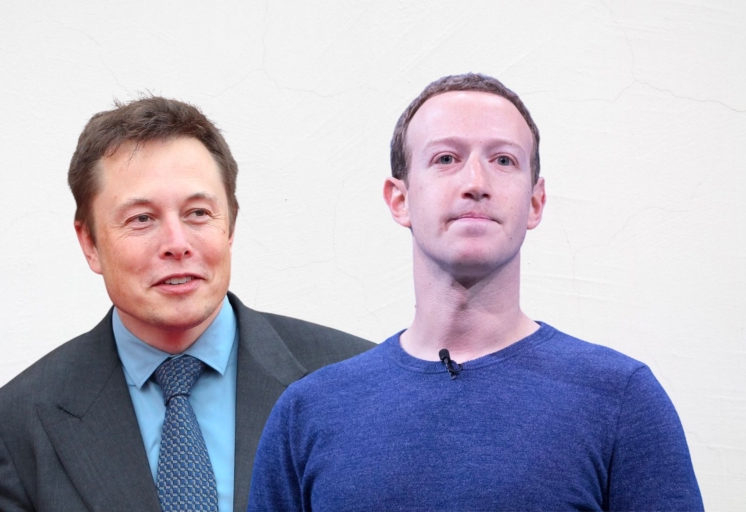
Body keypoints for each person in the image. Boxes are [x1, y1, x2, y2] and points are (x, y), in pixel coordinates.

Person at [248, 73, 704, 511]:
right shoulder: (308, 412)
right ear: (400, 200)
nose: (475, 184)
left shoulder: (620, 399)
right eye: (446, 159)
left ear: (535, 201)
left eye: (503, 160)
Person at [0, 96, 373, 512]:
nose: (177, 244)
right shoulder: (17, 425)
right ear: (90, 243)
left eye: (198, 213)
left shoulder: (358, 384)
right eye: (141, 219)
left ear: (230, 227)